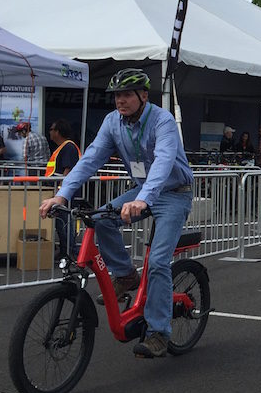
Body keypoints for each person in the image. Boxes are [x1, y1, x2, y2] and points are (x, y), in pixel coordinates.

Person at [38, 68, 194, 359]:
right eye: (117, 95)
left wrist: (144, 200)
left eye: (126, 95)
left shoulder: (163, 121)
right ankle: (125, 274)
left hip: (173, 193)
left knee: (159, 263)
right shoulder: (113, 123)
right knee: (98, 220)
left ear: (143, 95)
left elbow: (162, 162)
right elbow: (90, 160)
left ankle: (158, 332)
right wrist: (62, 194)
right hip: (143, 190)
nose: (120, 101)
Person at [46, 120, 82, 260]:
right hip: (61, 191)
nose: (50, 132)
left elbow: (68, 170)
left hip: (65, 193)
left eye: (51, 129)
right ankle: (65, 251)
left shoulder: (68, 147)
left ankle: (70, 253)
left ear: (58, 131)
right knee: (61, 222)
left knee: (65, 222)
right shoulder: (63, 147)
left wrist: (62, 191)